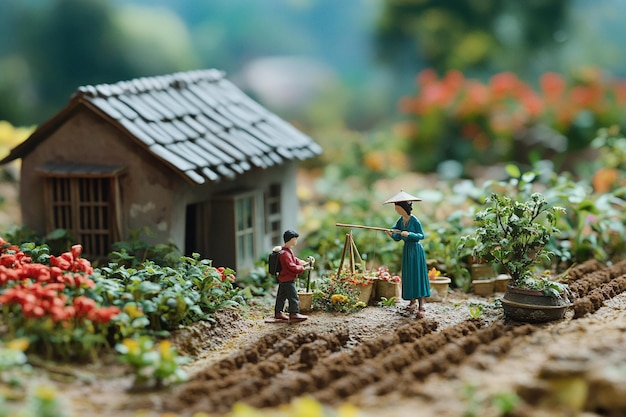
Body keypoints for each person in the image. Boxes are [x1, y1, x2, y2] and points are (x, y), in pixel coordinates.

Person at [385, 197, 430, 319]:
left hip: (415, 250)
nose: (397, 211)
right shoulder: (401, 220)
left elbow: (421, 235)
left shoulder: (414, 220)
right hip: (407, 251)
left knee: (417, 275)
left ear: (404, 208)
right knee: (409, 275)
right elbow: (397, 237)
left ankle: (421, 305)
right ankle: (412, 301)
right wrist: (391, 233)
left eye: (398, 208)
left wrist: (410, 234)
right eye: (396, 209)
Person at [274, 229, 311, 322]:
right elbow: (291, 267)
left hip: (283, 278)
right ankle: (294, 313)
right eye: (295, 239)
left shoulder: (286, 251)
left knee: (281, 296)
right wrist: (303, 268)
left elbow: (293, 259)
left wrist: (300, 262)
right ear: (290, 240)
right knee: (293, 296)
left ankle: (278, 312)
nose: (296, 241)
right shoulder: (285, 254)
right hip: (287, 279)